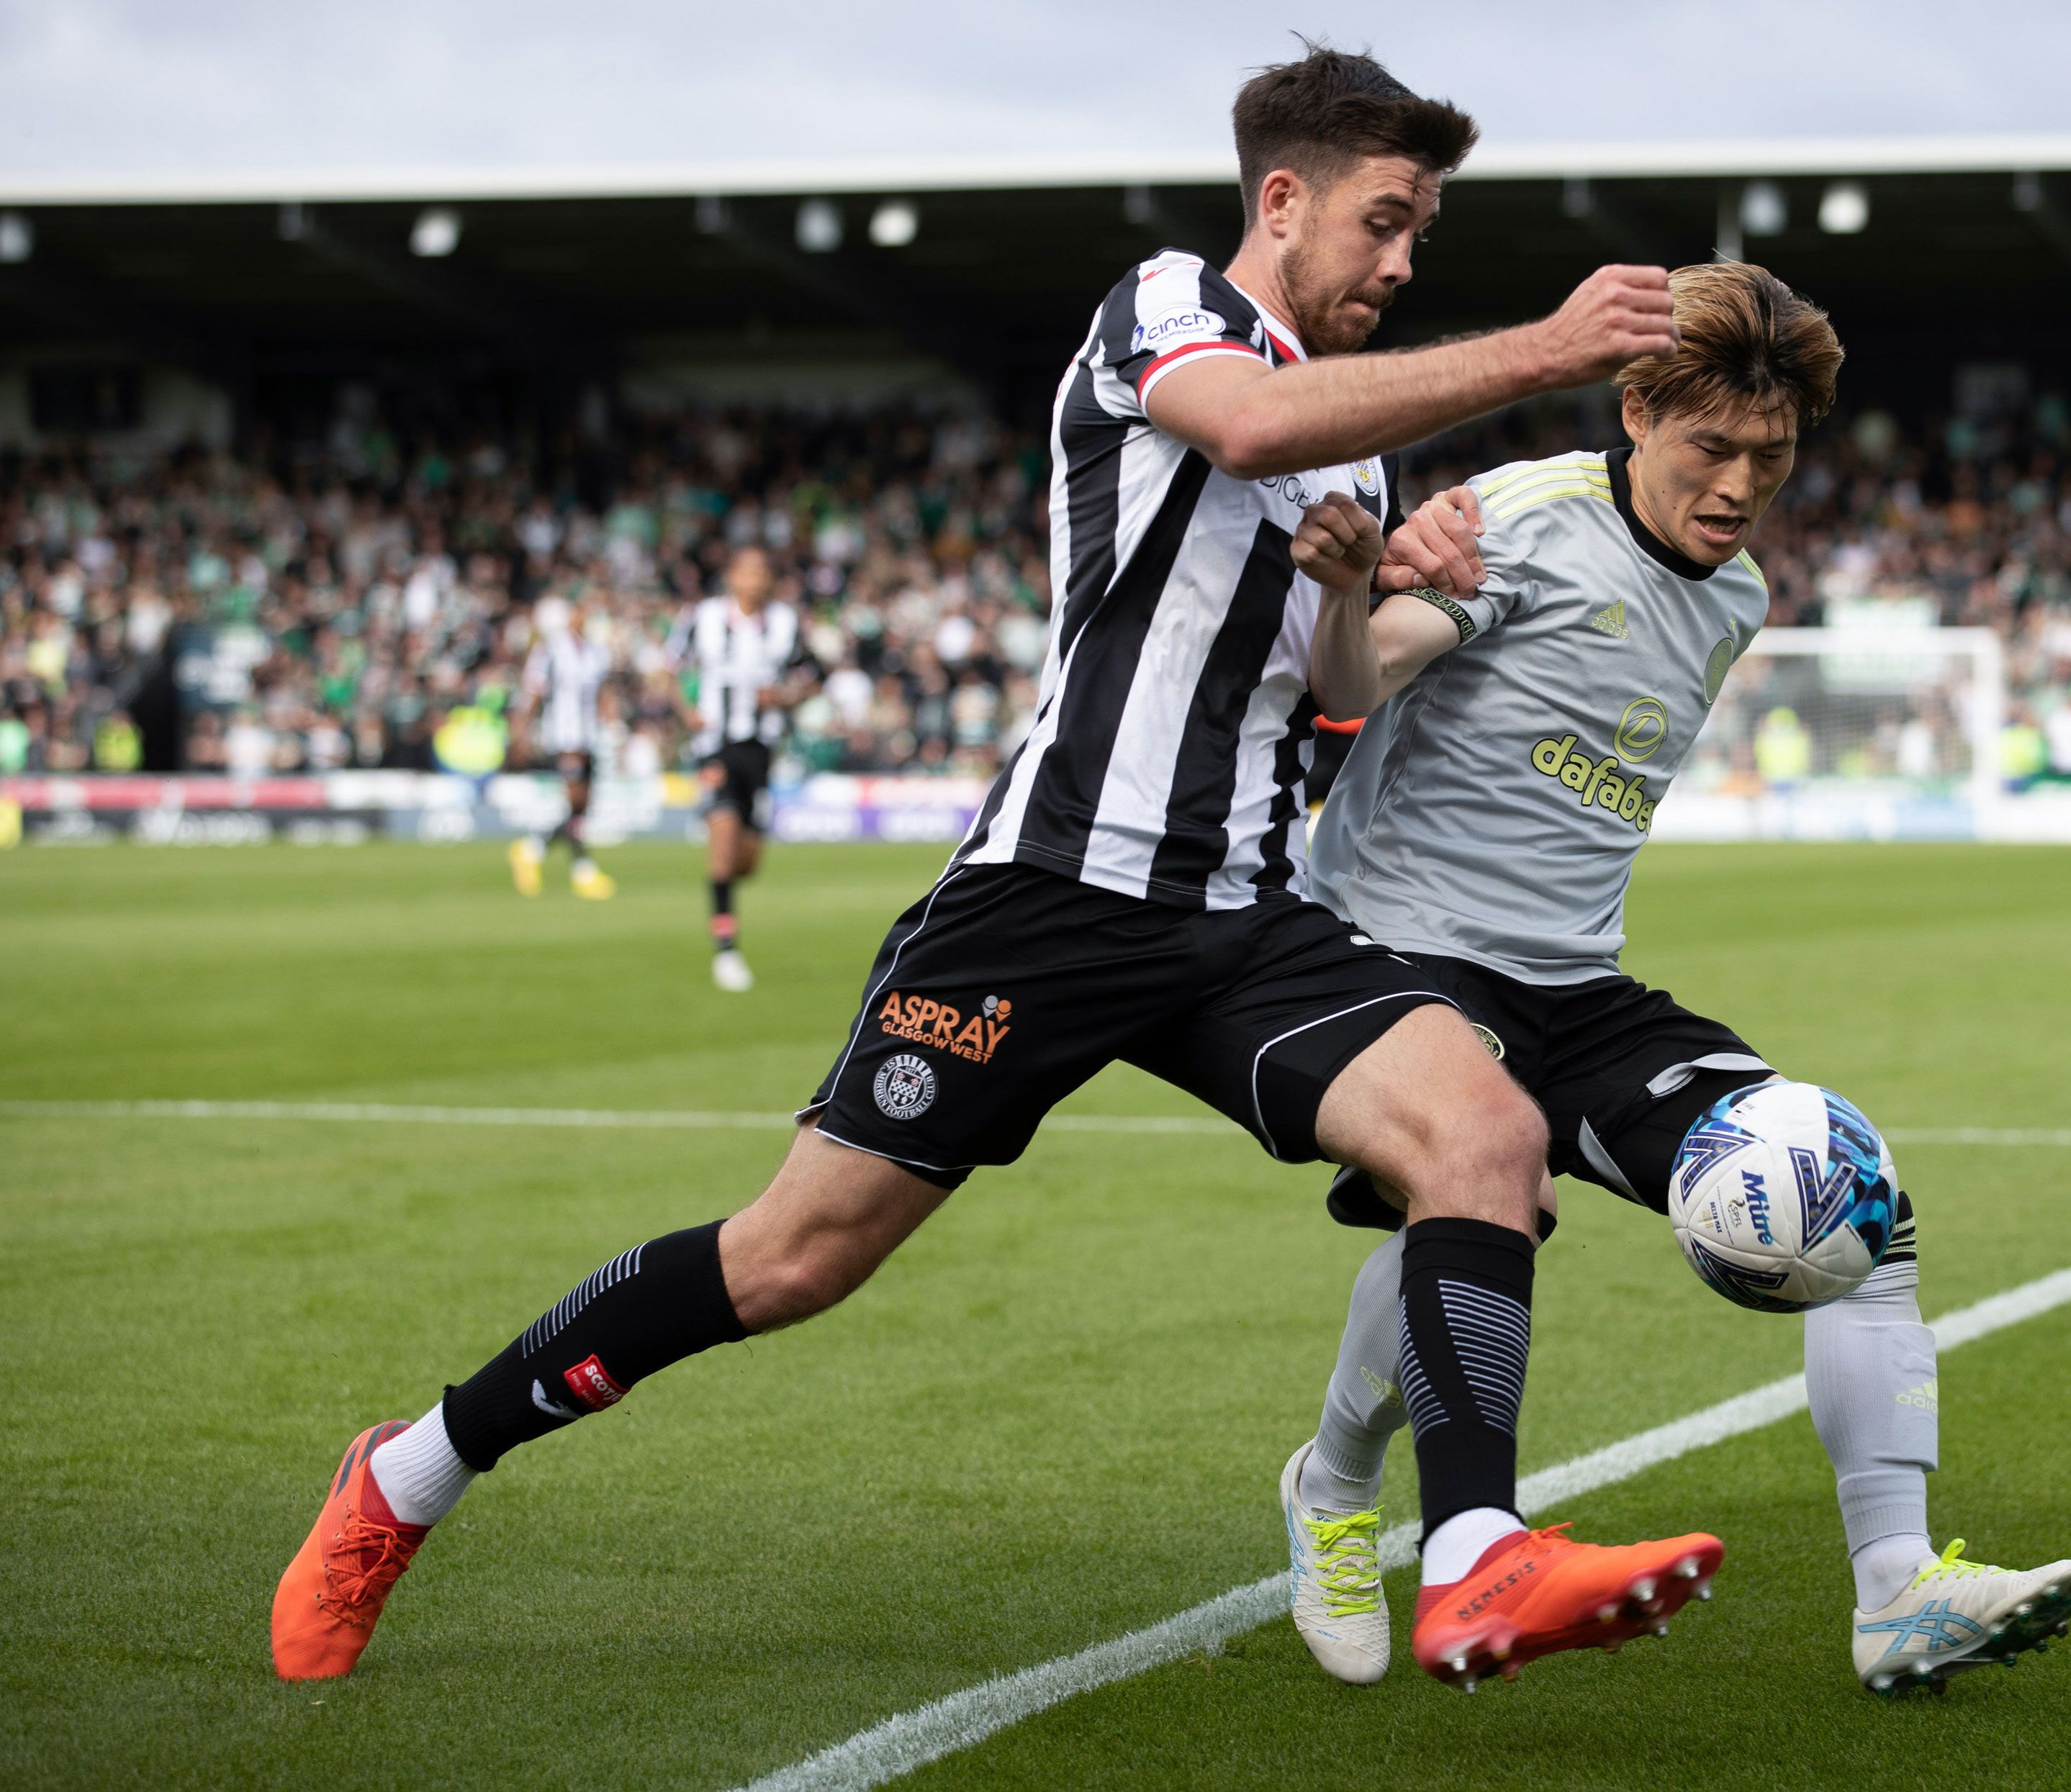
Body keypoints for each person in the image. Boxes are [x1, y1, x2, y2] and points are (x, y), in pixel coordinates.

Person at [272, 42, 1723, 1693]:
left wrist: (1370, 581)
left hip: (1242, 907)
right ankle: (409, 1471)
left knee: (1485, 1131)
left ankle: (1471, 1557)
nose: (1402, 264)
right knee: (795, 1256)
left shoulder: (1356, 452)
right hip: (1047, 894)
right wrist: (1544, 350)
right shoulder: (1170, 310)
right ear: (1282, 198)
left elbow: (1325, 693)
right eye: (1386, 223)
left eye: (1423, 237)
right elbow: (1239, 426)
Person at [1278, 262, 2071, 1695]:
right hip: (1395, 951)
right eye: (1707, 448)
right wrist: (1353, 593)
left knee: (1856, 1196)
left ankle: (1897, 1589)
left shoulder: (1740, 594)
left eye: (1767, 460)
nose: (1735, 486)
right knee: (1487, 1191)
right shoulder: (1531, 525)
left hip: (1572, 985)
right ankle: (1336, 1494)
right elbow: (1357, 680)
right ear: (1636, 409)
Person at [680, 548, 810, 990]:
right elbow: (664, 669)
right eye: (746, 570)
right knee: (723, 835)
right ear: (731, 576)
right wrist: (686, 711)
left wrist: (786, 698)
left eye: (762, 570)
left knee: (747, 861)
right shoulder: (705, 617)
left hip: (761, 751)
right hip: (714, 744)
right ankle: (727, 951)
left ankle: (721, 889)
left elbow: (811, 676)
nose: (754, 578)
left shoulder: (785, 624)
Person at [507, 587, 617, 900]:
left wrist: (612, 726)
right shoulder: (551, 650)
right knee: (575, 801)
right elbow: (534, 692)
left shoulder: (595, 652)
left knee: (581, 807)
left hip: (588, 736)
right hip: (563, 735)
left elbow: (602, 693)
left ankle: (532, 848)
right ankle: (583, 870)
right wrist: (521, 731)